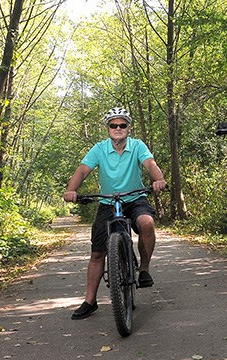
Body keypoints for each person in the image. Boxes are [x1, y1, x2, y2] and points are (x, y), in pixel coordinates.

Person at [63, 107, 167, 320]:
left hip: (135, 198)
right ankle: (90, 301)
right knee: (97, 253)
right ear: (108, 128)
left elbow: (150, 164)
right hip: (108, 202)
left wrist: (158, 179)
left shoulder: (137, 146)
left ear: (128, 128)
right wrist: (71, 190)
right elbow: (83, 170)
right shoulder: (99, 149)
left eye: (122, 125)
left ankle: (144, 269)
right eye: (113, 125)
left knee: (146, 223)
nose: (118, 129)